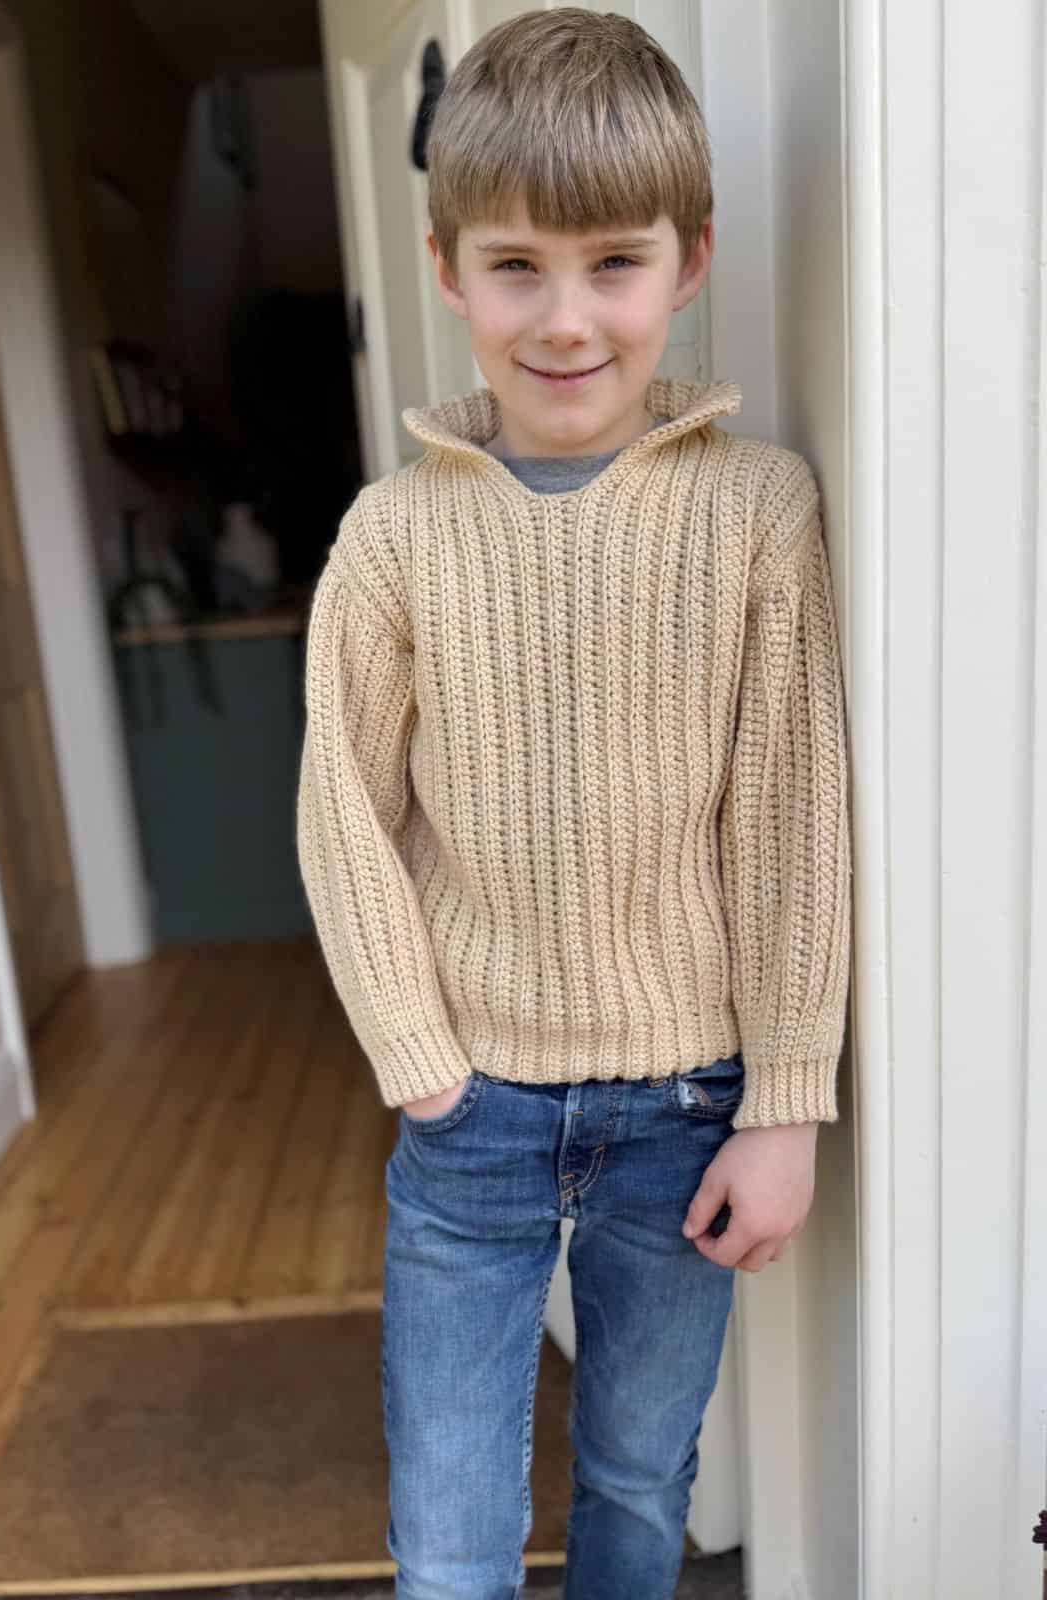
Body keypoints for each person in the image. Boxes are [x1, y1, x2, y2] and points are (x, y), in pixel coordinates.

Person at [295, 9, 852, 1597]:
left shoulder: (758, 511)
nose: (564, 319)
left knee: (635, 1481)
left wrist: (787, 1103)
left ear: (690, 259)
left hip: (686, 1109)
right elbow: (344, 805)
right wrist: (419, 1067)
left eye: (612, 263)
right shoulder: (392, 540)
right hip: (467, 1116)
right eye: (515, 265)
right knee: (452, 1537)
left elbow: (793, 815)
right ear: (447, 267)